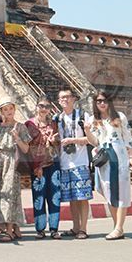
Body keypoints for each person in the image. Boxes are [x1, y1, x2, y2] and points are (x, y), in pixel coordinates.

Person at [85, 91, 132, 240]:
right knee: (108, 192)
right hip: (104, 159)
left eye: (105, 100)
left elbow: (127, 138)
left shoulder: (119, 117)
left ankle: (119, 227)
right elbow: (94, 142)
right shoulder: (93, 119)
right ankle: (117, 226)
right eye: (99, 101)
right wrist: (87, 130)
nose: (102, 103)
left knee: (121, 191)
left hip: (119, 157)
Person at [57, 87, 93, 239]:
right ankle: (75, 227)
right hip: (65, 163)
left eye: (67, 97)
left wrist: (73, 140)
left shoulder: (83, 116)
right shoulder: (57, 118)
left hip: (80, 161)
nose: (65, 100)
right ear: (58, 101)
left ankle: (83, 229)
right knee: (72, 197)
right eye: (62, 98)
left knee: (82, 197)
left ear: (73, 99)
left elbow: (92, 139)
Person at [25, 96, 61, 239]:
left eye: (46, 106)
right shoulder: (29, 124)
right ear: (36, 106)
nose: (43, 109)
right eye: (41, 106)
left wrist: (54, 141)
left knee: (54, 196)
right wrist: (35, 165)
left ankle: (54, 228)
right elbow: (27, 147)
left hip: (53, 164)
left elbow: (58, 142)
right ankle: (40, 229)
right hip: (37, 165)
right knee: (38, 196)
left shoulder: (53, 124)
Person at [0, 97, 31, 242]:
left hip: (13, 161)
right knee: (4, 194)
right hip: (0, 162)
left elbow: (26, 148)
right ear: (2, 112)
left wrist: (17, 138)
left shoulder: (20, 126)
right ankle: (15, 227)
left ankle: (9, 231)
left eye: (10, 108)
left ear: (14, 109)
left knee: (10, 194)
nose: (8, 111)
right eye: (5, 109)